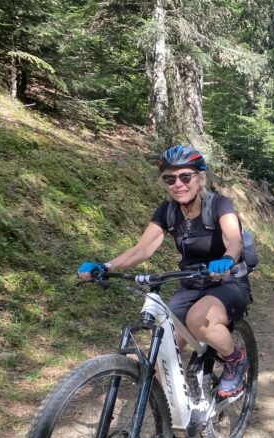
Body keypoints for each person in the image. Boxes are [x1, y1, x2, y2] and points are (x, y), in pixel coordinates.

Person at [77, 144, 251, 399]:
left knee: (197, 320)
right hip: (190, 283)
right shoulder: (167, 211)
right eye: (170, 178)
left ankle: (235, 360)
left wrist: (226, 259)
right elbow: (142, 249)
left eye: (185, 176)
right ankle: (167, 428)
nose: (178, 184)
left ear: (200, 177)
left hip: (227, 281)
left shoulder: (219, 205)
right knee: (163, 354)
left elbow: (234, 240)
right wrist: (105, 266)